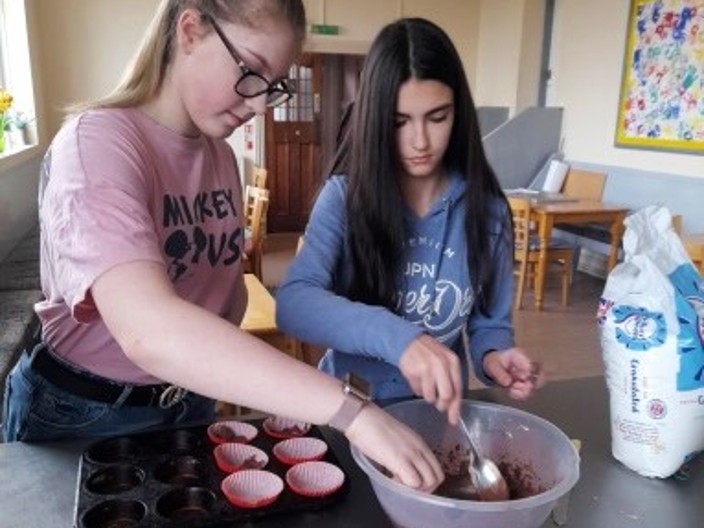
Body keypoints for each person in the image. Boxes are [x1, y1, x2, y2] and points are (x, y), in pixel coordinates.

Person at [0, 1, 444, 492]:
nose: (258, 105)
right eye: (250, 71)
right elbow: (149, 332)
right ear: (190, 31)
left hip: (190, 403)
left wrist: (271, 388)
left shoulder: (219, 157)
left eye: (272, 86)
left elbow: (221, 301)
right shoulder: (98, 144)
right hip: (84, 415)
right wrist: (350, 411)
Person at [276, 17, 543, 425]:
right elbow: (294, 304)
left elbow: (490, 323)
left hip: (437, 417)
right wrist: (401, 338)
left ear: (459, 114)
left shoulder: (486, 212)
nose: (420, 141)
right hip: (350, 413)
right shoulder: (345, 199)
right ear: (374, 118)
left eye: (437, 117)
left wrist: (496, 357)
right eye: (399, 122)